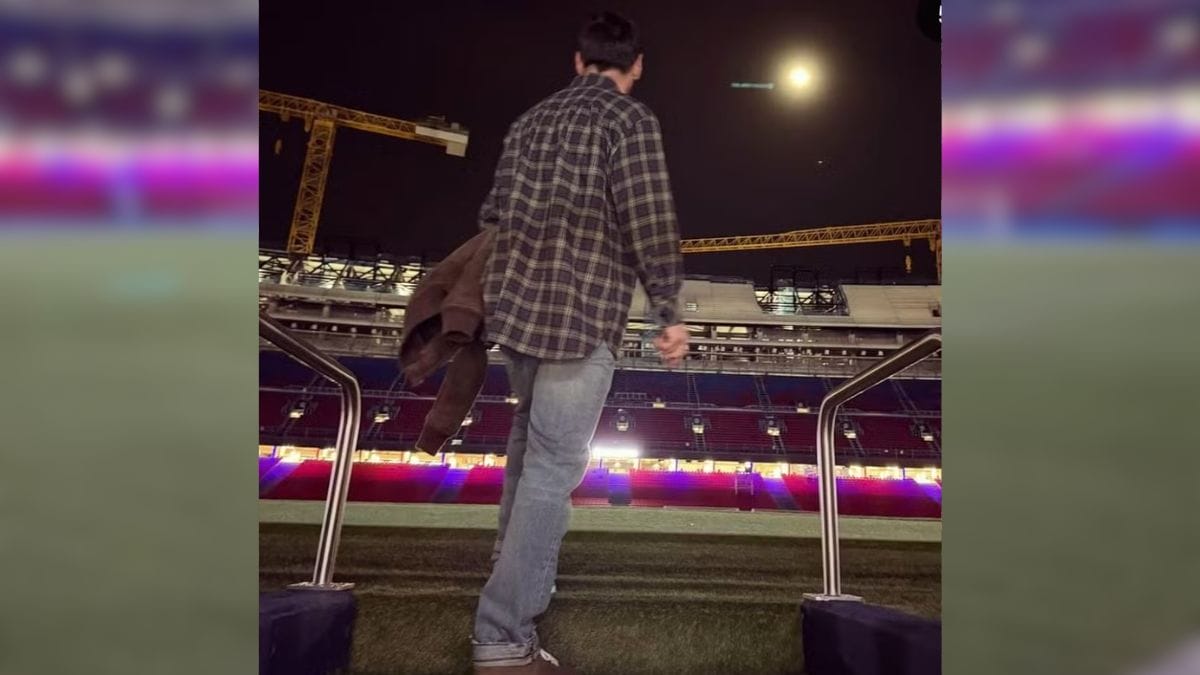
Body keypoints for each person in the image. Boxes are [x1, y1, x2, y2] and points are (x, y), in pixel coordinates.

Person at [471, 10, 688, 674]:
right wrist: (667, 309)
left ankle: (507, 568)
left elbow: (491, 216)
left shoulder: (529, 122)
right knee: (551, 469)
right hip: (580, 313)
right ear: (637, 65)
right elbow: (649, 218)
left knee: (525, 444)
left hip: (516, 313)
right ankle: (504, 633)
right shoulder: (630, 120)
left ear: (577, 61)